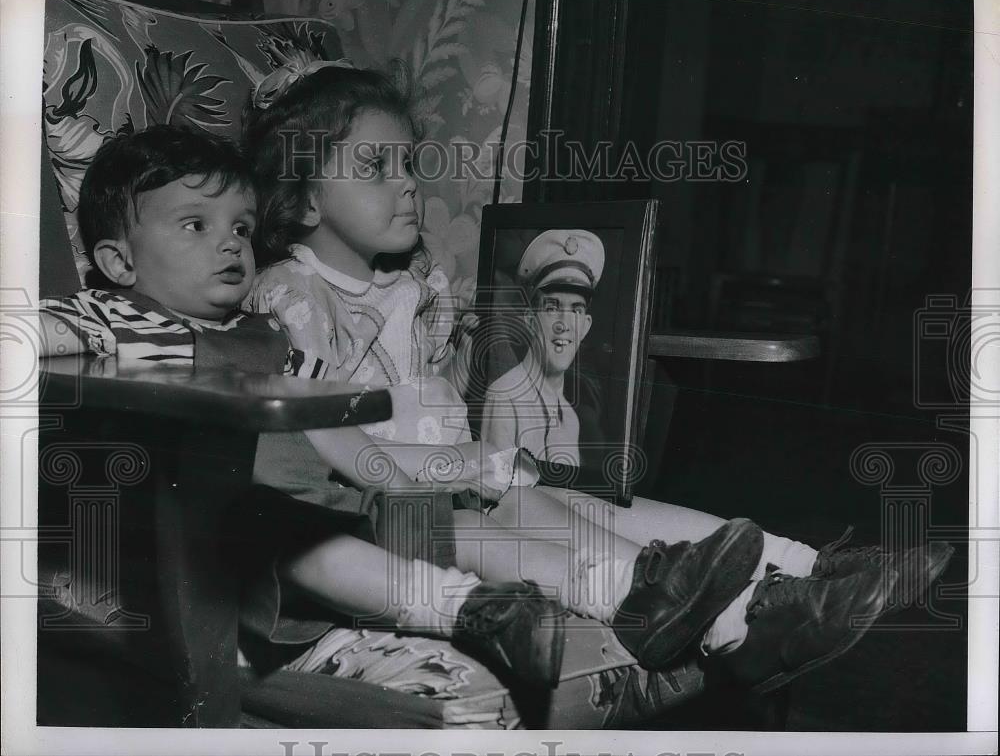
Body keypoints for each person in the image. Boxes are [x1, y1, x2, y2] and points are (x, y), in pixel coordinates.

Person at [240, 59, 957, 694]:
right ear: (303, 199)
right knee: (520, 511)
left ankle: (798, 571)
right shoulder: (290, 298)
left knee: (584, 502)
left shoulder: (413, 284)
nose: (406, 187)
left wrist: (476, 354)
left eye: (410, 164)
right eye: (375, 169)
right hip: (378, 516)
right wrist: (465, 460)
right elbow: (316, 451)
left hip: (453, 482)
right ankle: (720, 619)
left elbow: (443, 395)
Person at [35, 124, 567, 688]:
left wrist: (442, 469)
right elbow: (31, 335)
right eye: (196, 224)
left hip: (300, 510)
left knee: (438, 520)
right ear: (119, 264)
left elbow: (349, 441)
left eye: (241, 227)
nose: (230, 243)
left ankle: (603, 589)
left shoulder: (268, 338)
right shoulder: (113, 320)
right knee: (303, 542)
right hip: (191, 548)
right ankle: (471, 612)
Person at [480, 228, 605, 466]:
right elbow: (496, 497)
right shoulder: (506, 399)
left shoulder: (570, 417)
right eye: (551, 308)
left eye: (576, 310)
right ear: (529, 319)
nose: (564, 325)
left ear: (586, 326)